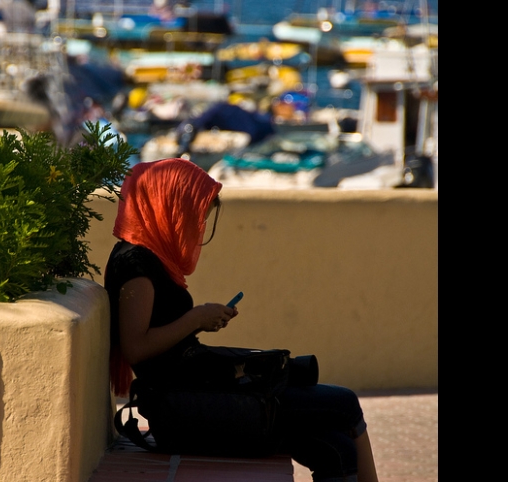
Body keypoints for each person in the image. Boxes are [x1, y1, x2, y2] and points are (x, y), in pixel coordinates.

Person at [104, 158, 379, 482]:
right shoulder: (136, 264)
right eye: (194, 215)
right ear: (169, 203)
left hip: (196, 389)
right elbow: (136, 347)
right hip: (188, 402)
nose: (196, 226)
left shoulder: (146, 257)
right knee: (345, 403)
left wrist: (200, 319)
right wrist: (196, 318)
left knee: (337, 449)